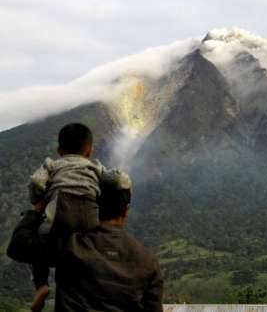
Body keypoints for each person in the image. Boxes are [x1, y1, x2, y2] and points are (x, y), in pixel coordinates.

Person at [7, 171, 164, 311]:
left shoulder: (70, 246)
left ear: (95, 205)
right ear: (126, 209)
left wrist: (38, 209)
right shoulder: (148, 261)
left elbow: (17, 246)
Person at [27, 123, 117, 311]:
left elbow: (36, 181)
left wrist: (37, 199)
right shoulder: (95, 166)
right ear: (90, 151)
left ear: (59, 150)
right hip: (90, 217)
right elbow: (116, 180)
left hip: (60, 215)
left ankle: (41, 285)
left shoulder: (52, 164)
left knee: (36, 239)